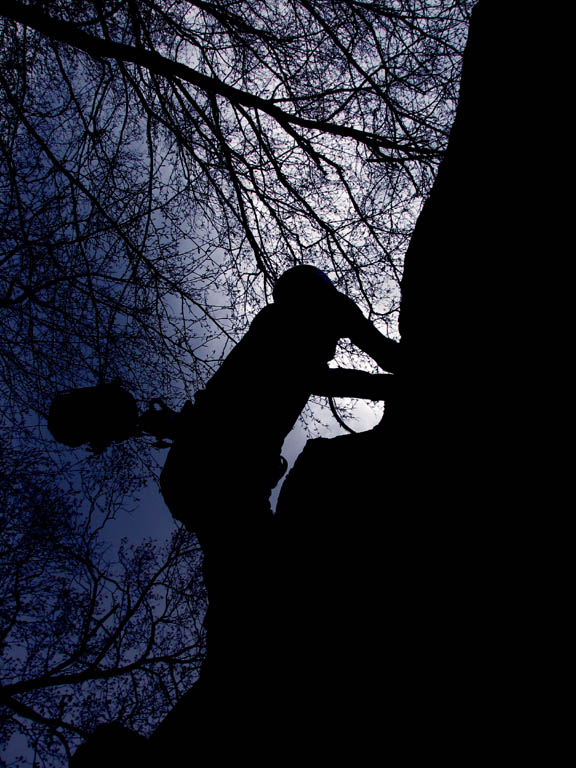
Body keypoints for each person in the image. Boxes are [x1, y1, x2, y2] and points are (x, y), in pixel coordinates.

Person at [158, 265, 401, 738]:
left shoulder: (289, 321)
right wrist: (395, 385)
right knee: (255, 586)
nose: (334, 347)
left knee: (248, 584)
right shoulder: (285, 325)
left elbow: (372, 354)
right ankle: (235, 696)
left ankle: (233, 685)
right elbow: (334, 370)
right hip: (217, 476)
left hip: (212, 477)